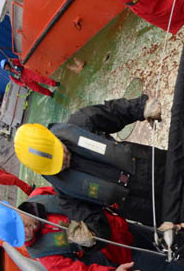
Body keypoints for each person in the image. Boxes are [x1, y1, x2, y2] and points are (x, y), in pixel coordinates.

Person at [0, 187, 184, 271]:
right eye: (23, 235)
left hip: (122, 228)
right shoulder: (48, 257)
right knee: (178, 266)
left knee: (170, 237)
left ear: (16, 209)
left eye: (23, 224)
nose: (29, 231)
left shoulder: (41, 194)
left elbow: (75, 194)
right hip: (125, 262)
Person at [12, 95, 169, 227]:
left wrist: (141, 107)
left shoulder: (80, 122)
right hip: (145, 206)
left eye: (62, 153)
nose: (64, 160)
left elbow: (113, 112)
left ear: (53, 137)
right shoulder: (67, 197)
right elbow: (95, 224)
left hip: (153, 165)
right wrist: (90, 237)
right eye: (58, 166)